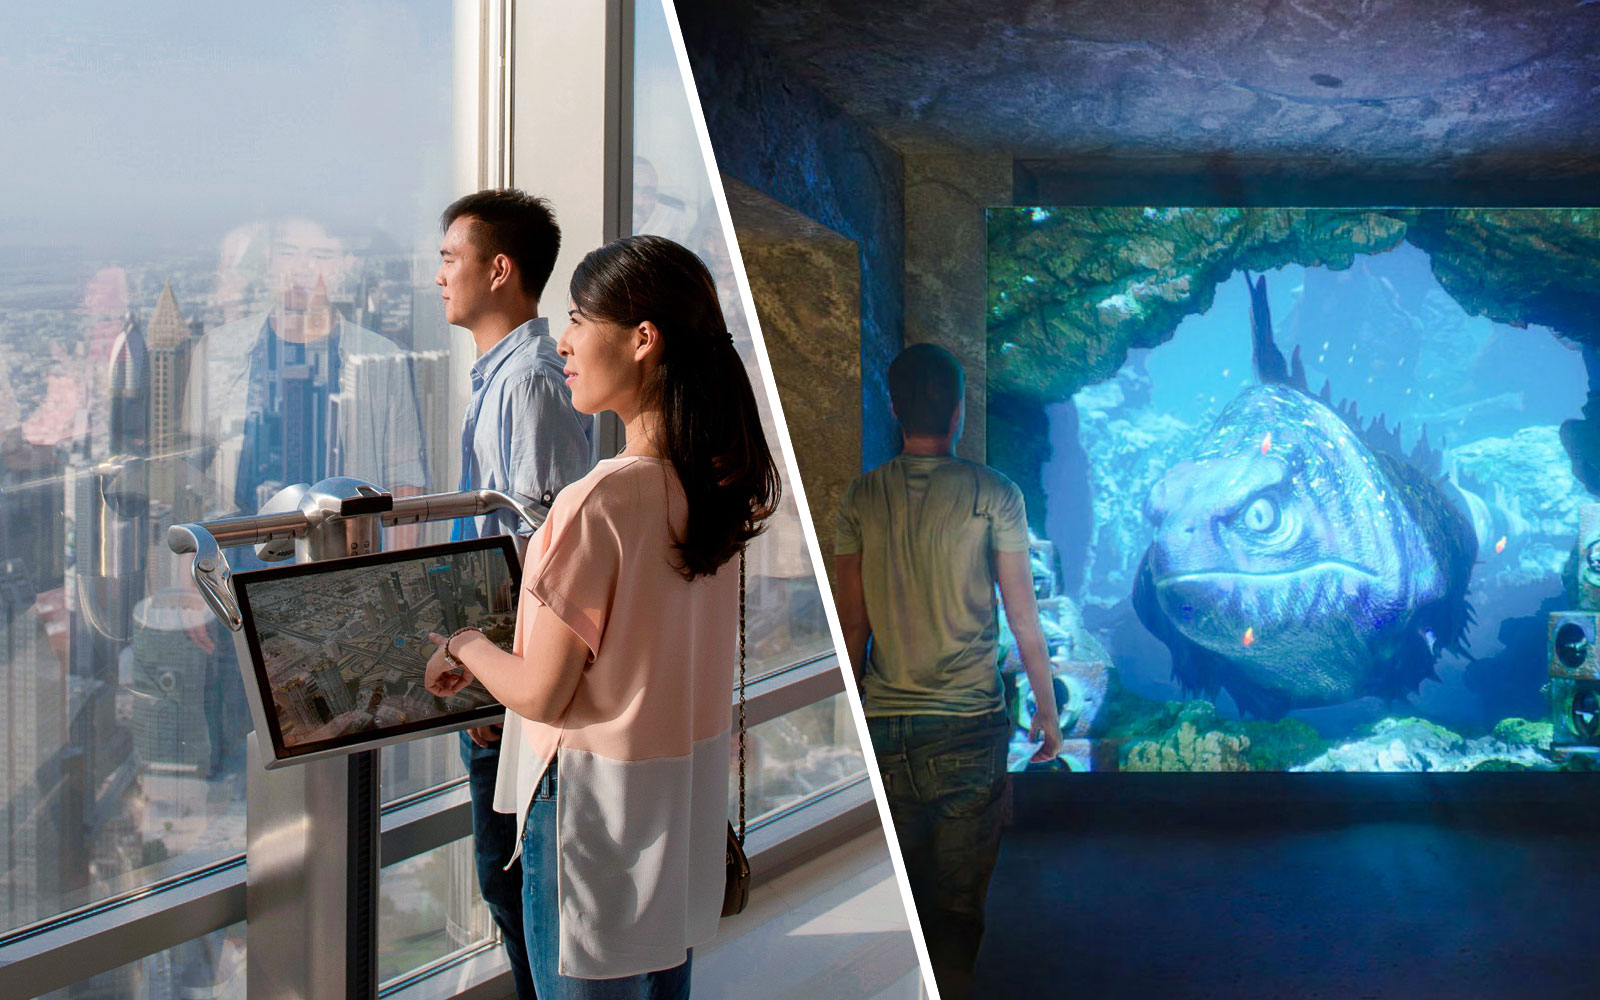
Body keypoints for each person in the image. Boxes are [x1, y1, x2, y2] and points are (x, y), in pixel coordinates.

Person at [422, 234, 778, 998]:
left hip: (591, 816)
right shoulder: (714, 489)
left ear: (643, 339)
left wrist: (464, 645)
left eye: (581, 319)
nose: (564, 341)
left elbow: (542, 693)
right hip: (677, 803)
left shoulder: (600, 501)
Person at [832, 342, 1063, 1000]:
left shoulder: (861, 497)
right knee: (957, 918)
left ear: (893, 407)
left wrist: (847, 720)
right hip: (968, 727)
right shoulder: (996, 494)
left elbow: (853, 627)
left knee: (901, 905)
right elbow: (1024, 621)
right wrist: (1047, 713)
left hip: (887, 728)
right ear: (959, 412)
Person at [434, 188, 594, 999]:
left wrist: (499, 677)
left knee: (516, 882)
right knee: (507, 880)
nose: (439, 277)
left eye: (450, 258)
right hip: (508, 669)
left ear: (499, 270)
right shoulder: (506, 377)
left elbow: (550, 554)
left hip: (519, 677)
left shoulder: (528, 383)